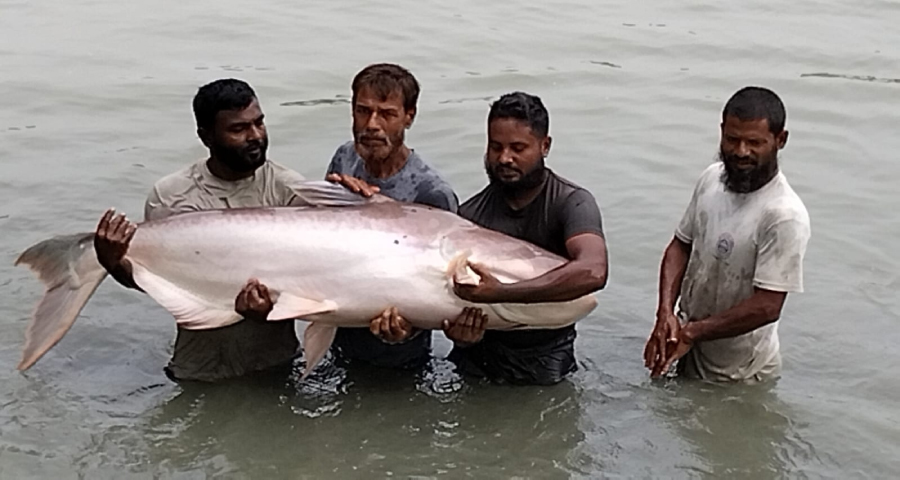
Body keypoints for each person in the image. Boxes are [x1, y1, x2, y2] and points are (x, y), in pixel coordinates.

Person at [94, 78, 367, 382]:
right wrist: (114, 262)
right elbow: (162, 284)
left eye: (259, 123)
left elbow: (318, 276)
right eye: (238, 129)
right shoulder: (173, 196)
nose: (255, 136)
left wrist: (353, 200)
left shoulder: (289, 188)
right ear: (206, 136)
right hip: (201, 368)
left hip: (278, 364)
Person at [643, 86, 811, 382]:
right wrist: (665, 314)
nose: (741, 152)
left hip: (740, 372)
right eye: (732, 139)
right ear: (721, 130)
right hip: (686, 343)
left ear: (780, 140)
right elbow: (680, 246)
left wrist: (693, 332)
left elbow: (767, 306)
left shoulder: (784, 215)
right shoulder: (711, 179)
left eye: (754, 142)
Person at [442, 92, 609, 385]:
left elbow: (593, 271)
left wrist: (503, 293)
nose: (504, 158)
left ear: (545, 146)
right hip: (476, 360)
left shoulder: (571, 203)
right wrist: (459, 335)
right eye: (495, 147)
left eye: (518, 148)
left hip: (546, 361)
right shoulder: (469, 215)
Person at [323, 63, 459, 370]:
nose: (372, 124)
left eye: (386, 114)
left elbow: (443, 291)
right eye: (363, 111)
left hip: (401, 357)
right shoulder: (345, 158)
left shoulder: (431, 193)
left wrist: (407, 331)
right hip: (341, 334)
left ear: (409, 116)